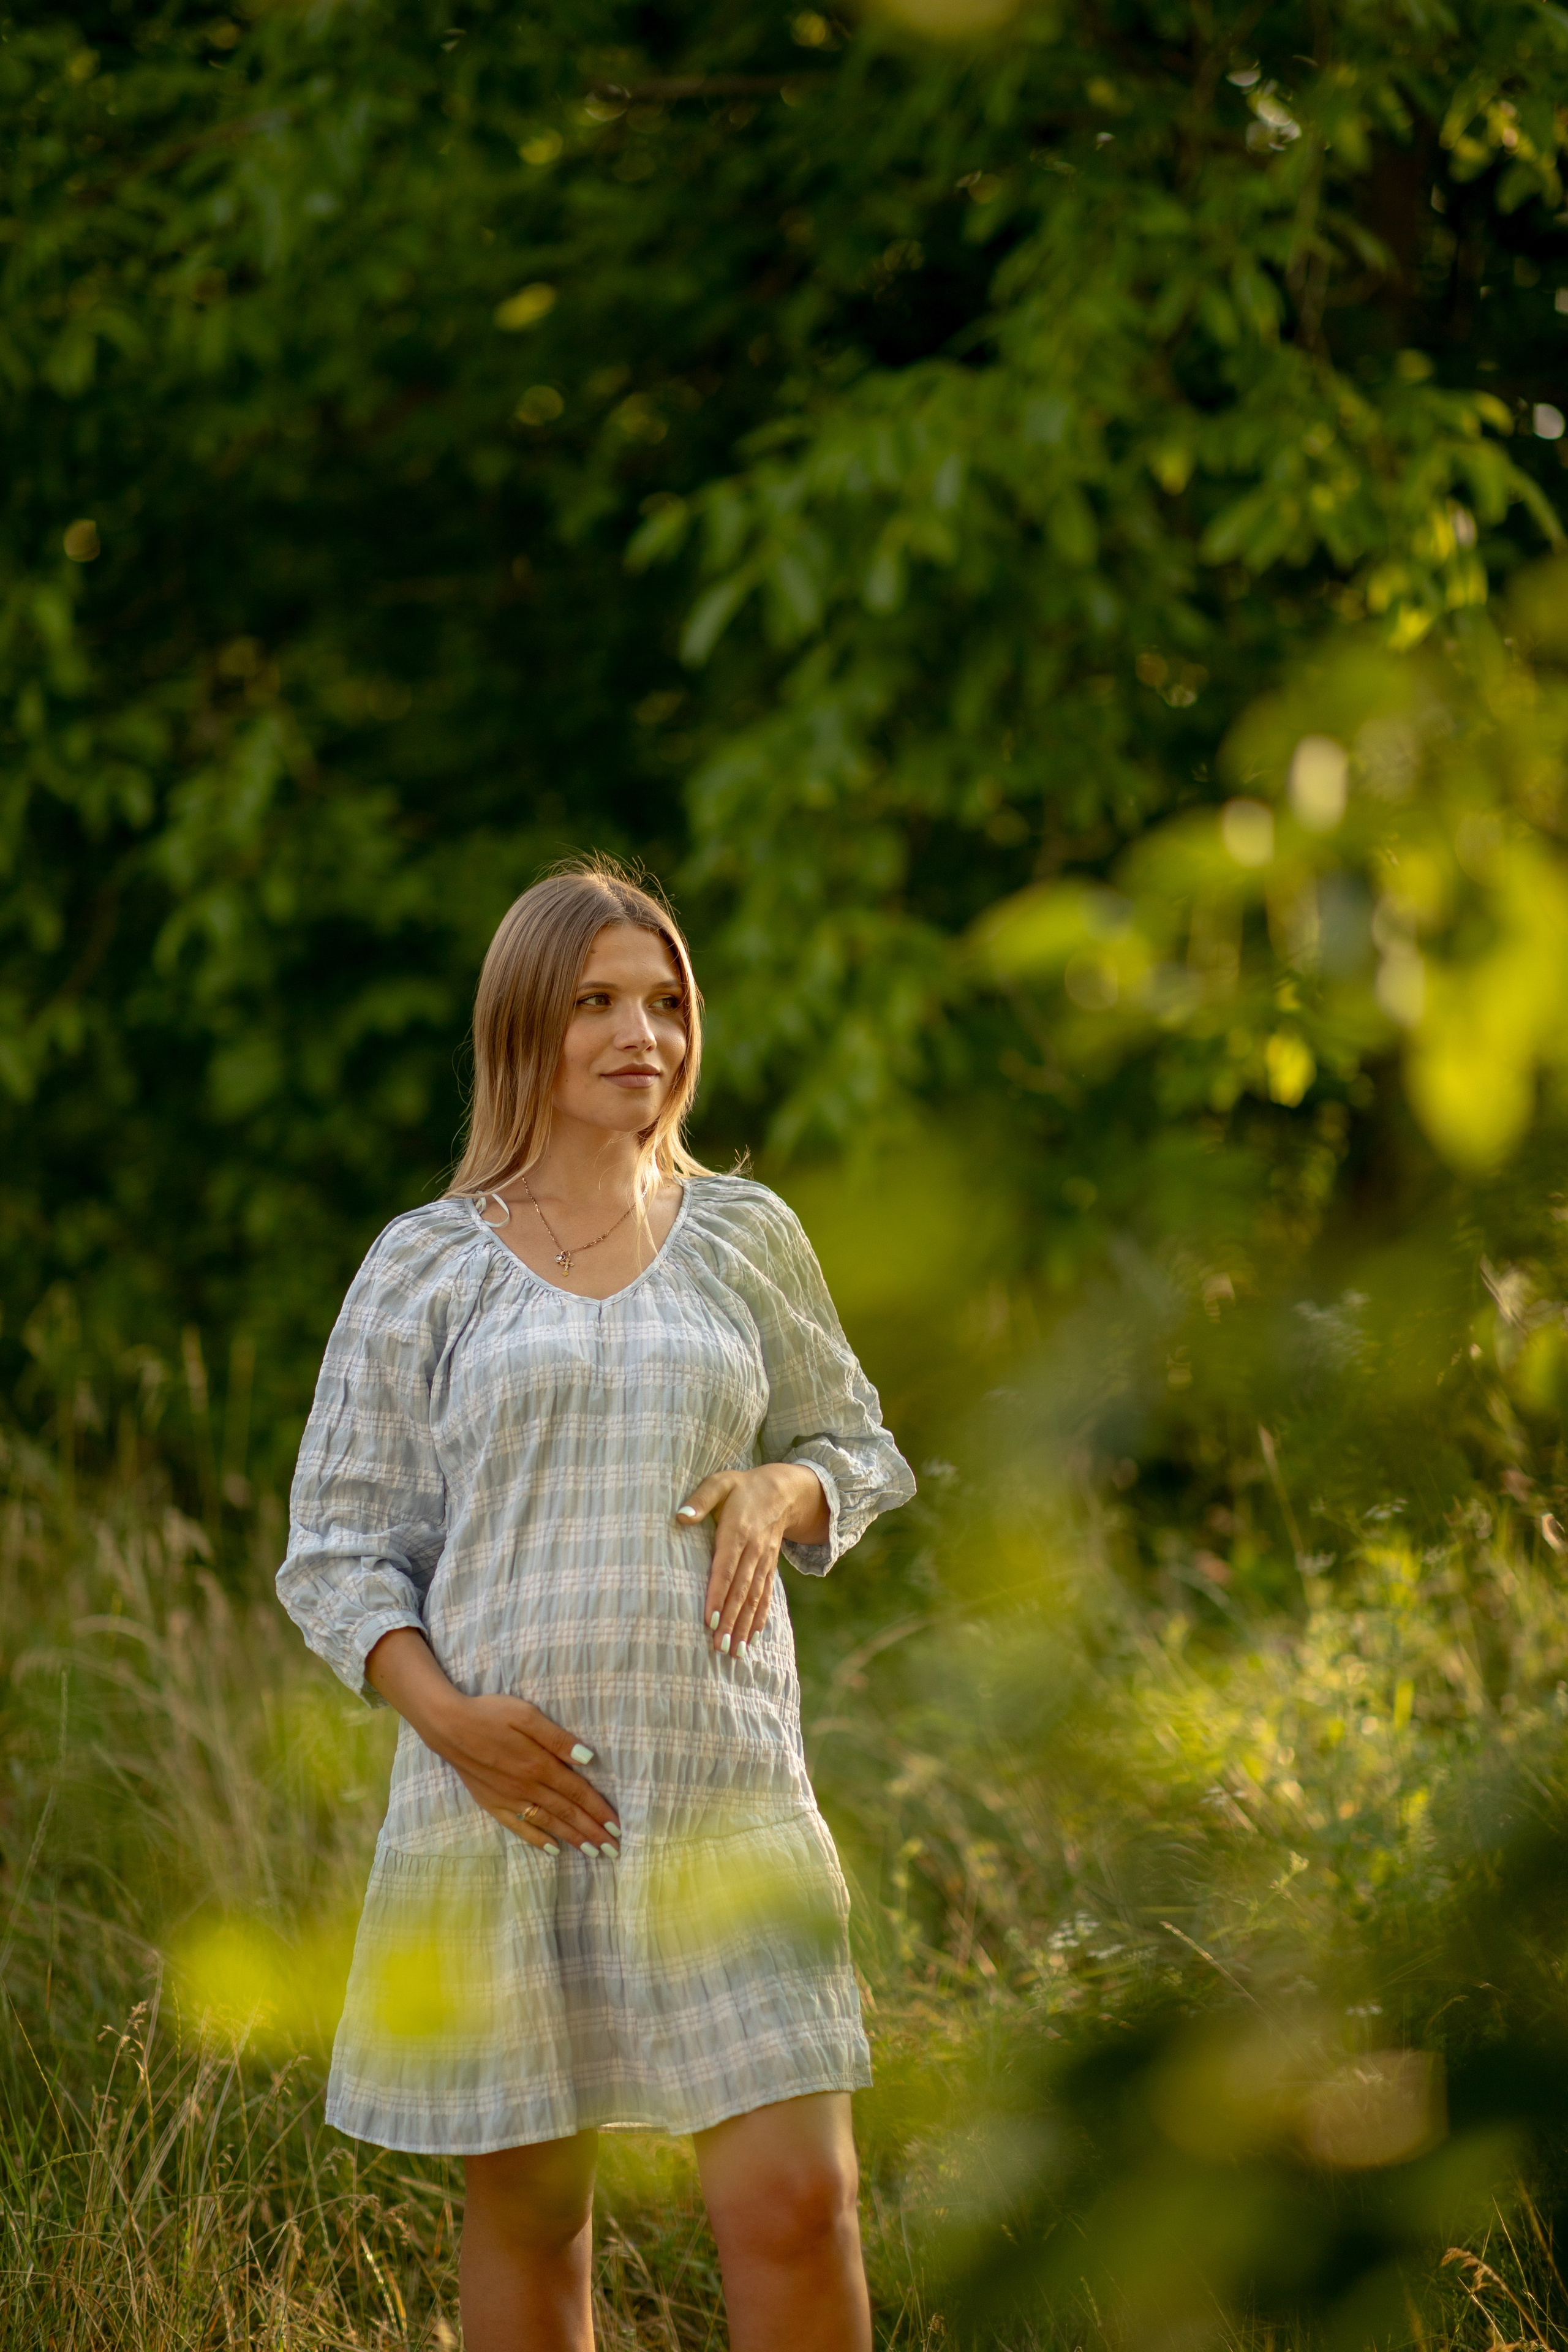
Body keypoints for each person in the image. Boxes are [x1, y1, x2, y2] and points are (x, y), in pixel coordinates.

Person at [277, 859, 916, 2352]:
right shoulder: (425, 1265)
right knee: (529, 2220)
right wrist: (445, 1723)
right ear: (525, 1030)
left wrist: (780, 1490)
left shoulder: (742, 1232)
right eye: (598, 1003)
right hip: (507, 1804)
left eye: (666, 1001)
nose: (645, 1034)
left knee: (795, 2209)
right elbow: (338, 1548)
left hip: (726, 1800)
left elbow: (859, 1446)